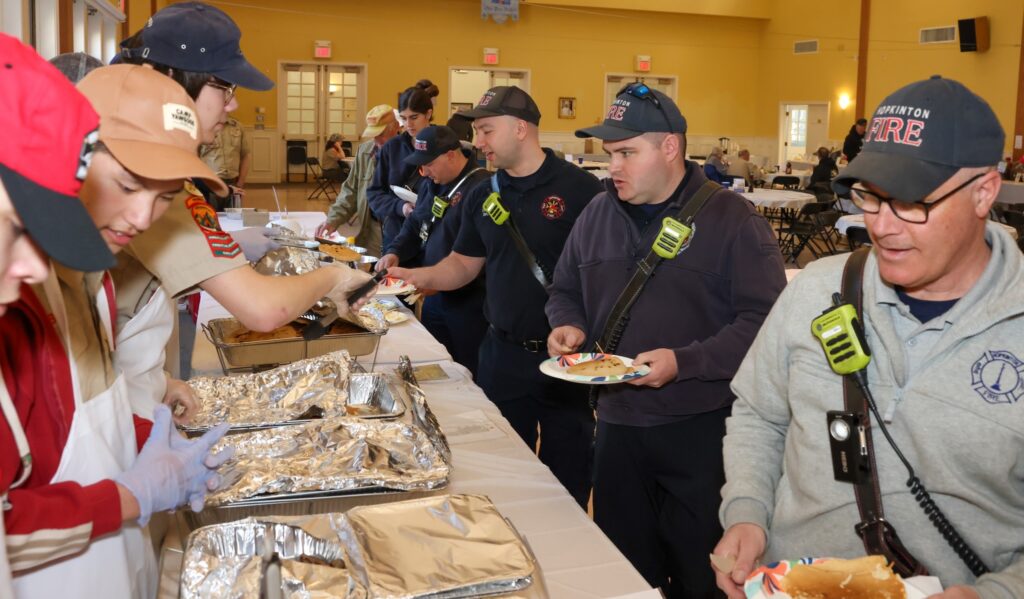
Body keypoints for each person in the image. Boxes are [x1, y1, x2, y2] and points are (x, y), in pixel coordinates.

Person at [715, 76, 1024, 599]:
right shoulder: (816, 288)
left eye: (910, 202)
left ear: (983, 193)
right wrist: (747, 513)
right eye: (869, 197)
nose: (881, 226)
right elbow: (759, 415)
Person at [0, 38, 229, 598]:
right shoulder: (14, 301)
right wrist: (131, 495)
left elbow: (78, 420)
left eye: (166, 199)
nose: (141, 217)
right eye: (126, 186)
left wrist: (151, 442)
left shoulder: (93, 276)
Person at [546, 85, 785, 597]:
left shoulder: (734, 222)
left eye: (627, 153)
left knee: (705, 579)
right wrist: (566, 324)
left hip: (703, 434)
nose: (613, 167)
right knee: (626, 575)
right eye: (610, 154)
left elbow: (765, 324)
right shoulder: (595, 215)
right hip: (615, 428)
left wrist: (687, 361)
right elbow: (563, 287)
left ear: (671, 148)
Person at [388, 86, 603, 507]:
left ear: (521, 128)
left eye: (486, 130)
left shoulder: (582, 191)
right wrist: (414, 275)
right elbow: (463, 265)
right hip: (501, 354)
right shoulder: (484, 193)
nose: (478, 142)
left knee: (569, 478)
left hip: (567, 362)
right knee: (503, 476)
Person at [377, 126, 490, 376]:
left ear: (451, 155)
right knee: (436, 366)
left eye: (428, 164)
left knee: (468, 373)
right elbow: (415, 223)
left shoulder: (481, 188)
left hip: (469, 302)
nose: (424, 172)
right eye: (420, 166)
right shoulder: (431, 182)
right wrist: (394, 251)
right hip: (432, 296)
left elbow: (479, 257)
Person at [315, 104, 399, 258]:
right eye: (373, 134)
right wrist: (333, 219)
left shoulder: (408, 154)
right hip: (371, 229)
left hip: (399, 233)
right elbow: (351, 190)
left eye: (381, 134)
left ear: (396, 128)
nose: (376, 139)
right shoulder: (365, 151)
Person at [367, 80, 438, 249]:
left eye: (414, 117)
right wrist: (401, 207)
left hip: (434, 233)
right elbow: (374, 193)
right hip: (396, 232)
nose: (409, 125)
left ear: (428, 114)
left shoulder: (444, 145)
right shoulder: (392, 148)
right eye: (404, 118)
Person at [199, 116, 251, 210]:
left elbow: (245, 155)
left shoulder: (237, 127)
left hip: (233, 183)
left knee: (234, 221)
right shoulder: (202, 127)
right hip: (210, 184)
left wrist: (240, 183)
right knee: (211, 220)